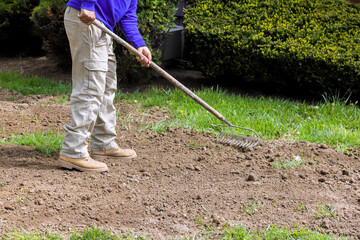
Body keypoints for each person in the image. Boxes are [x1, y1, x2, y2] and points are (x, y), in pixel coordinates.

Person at [58, 0, 152, 172]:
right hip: (87, 18)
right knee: (90, 85)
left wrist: (139, 44)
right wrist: (87, 4)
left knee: (107, 86)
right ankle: (74, 150)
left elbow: (128, 14)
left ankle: (103, 143)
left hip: (103, 26)